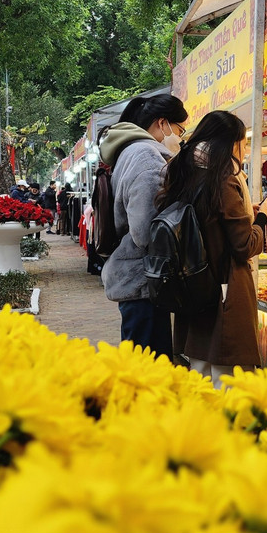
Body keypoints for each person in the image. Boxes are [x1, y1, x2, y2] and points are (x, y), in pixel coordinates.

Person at [158, 110, 267, 386]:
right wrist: (261, 218)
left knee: (199, 373)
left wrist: (246, 211)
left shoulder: (186, 171)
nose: (246, 149)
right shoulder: (223, 179)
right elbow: (244, 244)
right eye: (243, 142)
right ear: (230, 144)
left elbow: (210, 221)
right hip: (222, 291)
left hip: (193, 286)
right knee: (225, 380)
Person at [98, 93, 190, 357]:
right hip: (144, 281)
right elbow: (144, 231)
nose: (180, 137)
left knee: (139, 362)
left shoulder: (129, 153)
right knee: (150, 369)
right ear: (163, 124)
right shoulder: (147, 157)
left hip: (136, 278)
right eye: (180, 129)